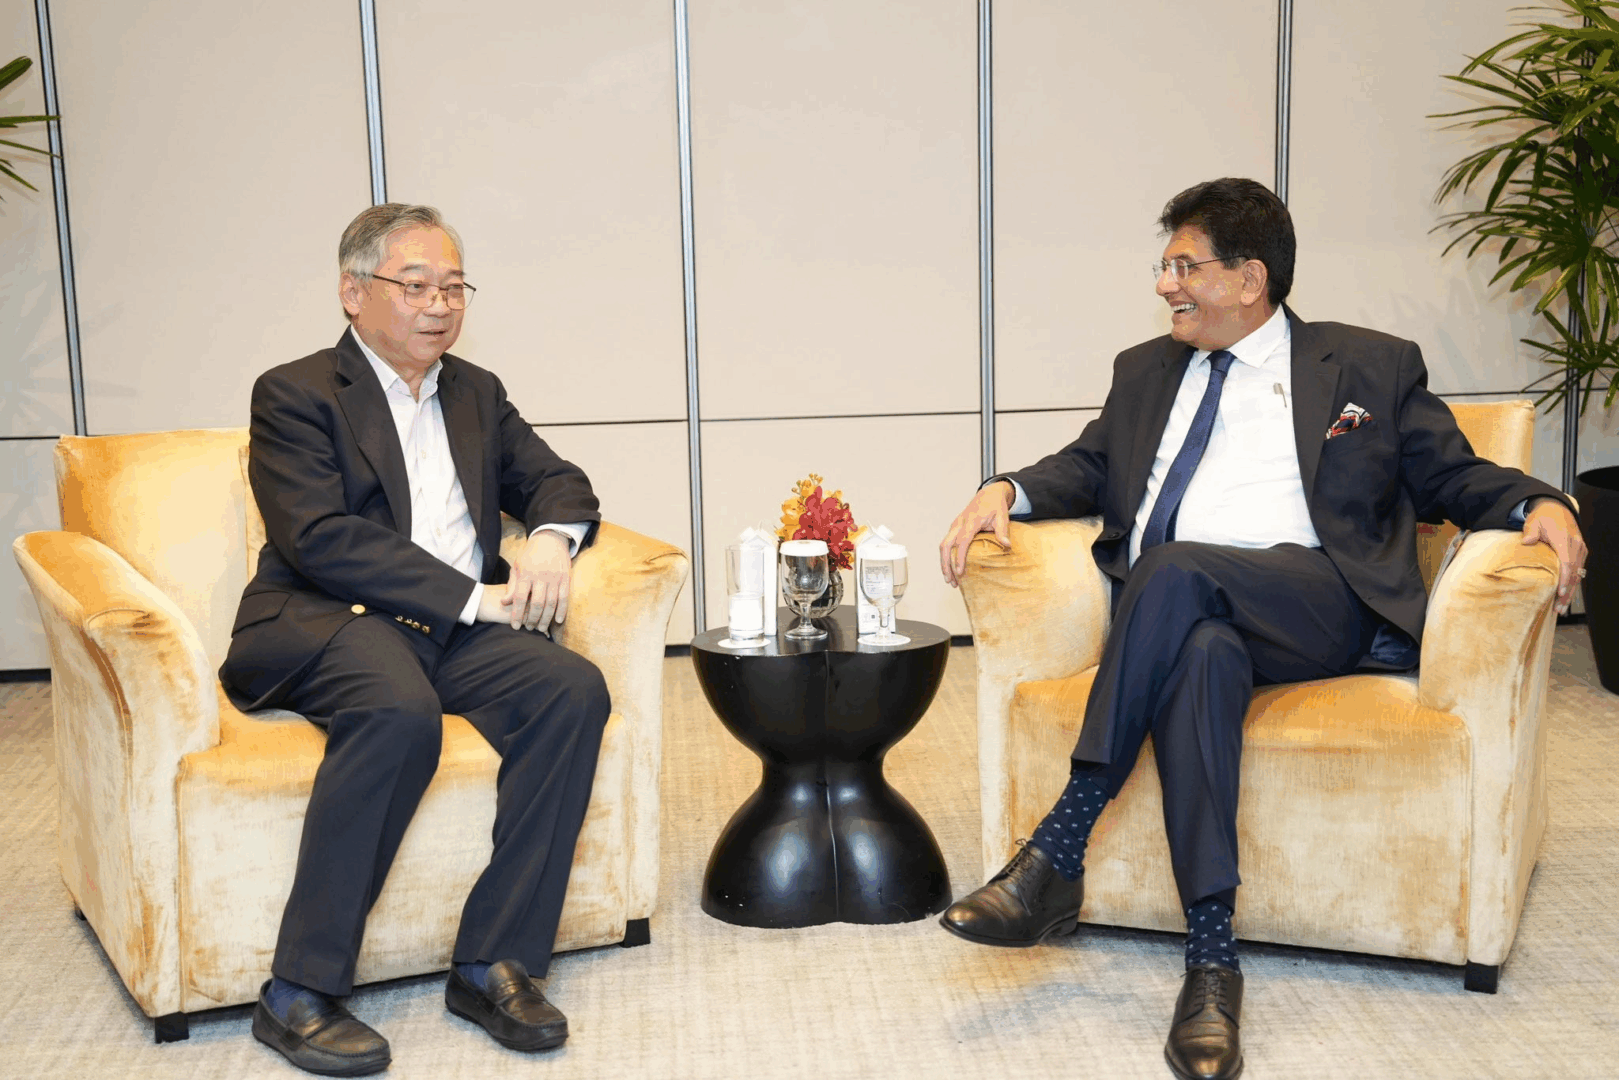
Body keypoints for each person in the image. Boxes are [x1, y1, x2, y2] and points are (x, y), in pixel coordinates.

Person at [936, 178, 1587, 1080]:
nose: (1164, 285)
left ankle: (1061, 842)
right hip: (1183, 616)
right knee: (1200, 653)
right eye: (1164, 265)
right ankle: (1212, 967)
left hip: (1318, 602)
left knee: (1174, 569)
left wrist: (1540, 501)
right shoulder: (1143, 369)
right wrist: (1004, 488)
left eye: (1184, 266)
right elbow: (1088, 464)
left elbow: (1452, 476)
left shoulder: (1367, 366)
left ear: (1249, 279)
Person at [221, 203, 610, 1076]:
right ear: (353, 292)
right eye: (416, 285)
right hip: (334, 617)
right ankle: (297, 991)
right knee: (398, 712)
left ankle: (492, 962)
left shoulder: (476, 391)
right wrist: (474, 598)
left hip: (454, 627)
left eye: (454, 286)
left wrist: (550, 539)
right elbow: (318, 537)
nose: (440, 304)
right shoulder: (295, 392)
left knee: (570, 689)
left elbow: (556, 479)